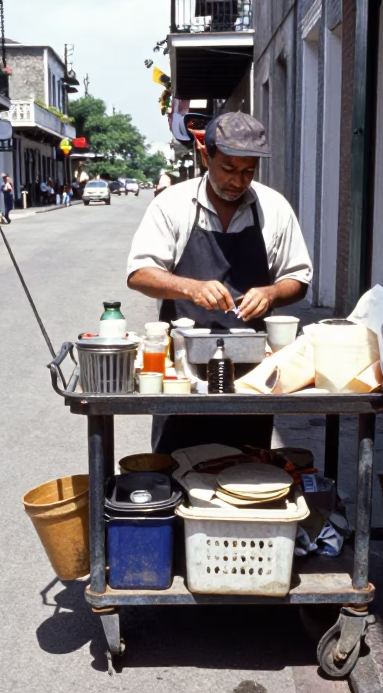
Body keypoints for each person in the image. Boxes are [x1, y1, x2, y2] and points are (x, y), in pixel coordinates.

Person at [126, 112, 312, 454]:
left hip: (253, 373)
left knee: (249, 468)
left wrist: (271, 293)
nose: (238, 181)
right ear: (205, 156)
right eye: (228, 169)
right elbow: (139, 274)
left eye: (248, 171)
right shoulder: (172, 205)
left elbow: (298, 279)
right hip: (182, 369)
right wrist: (190, 287)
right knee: (176, 466)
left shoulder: (274, 208)